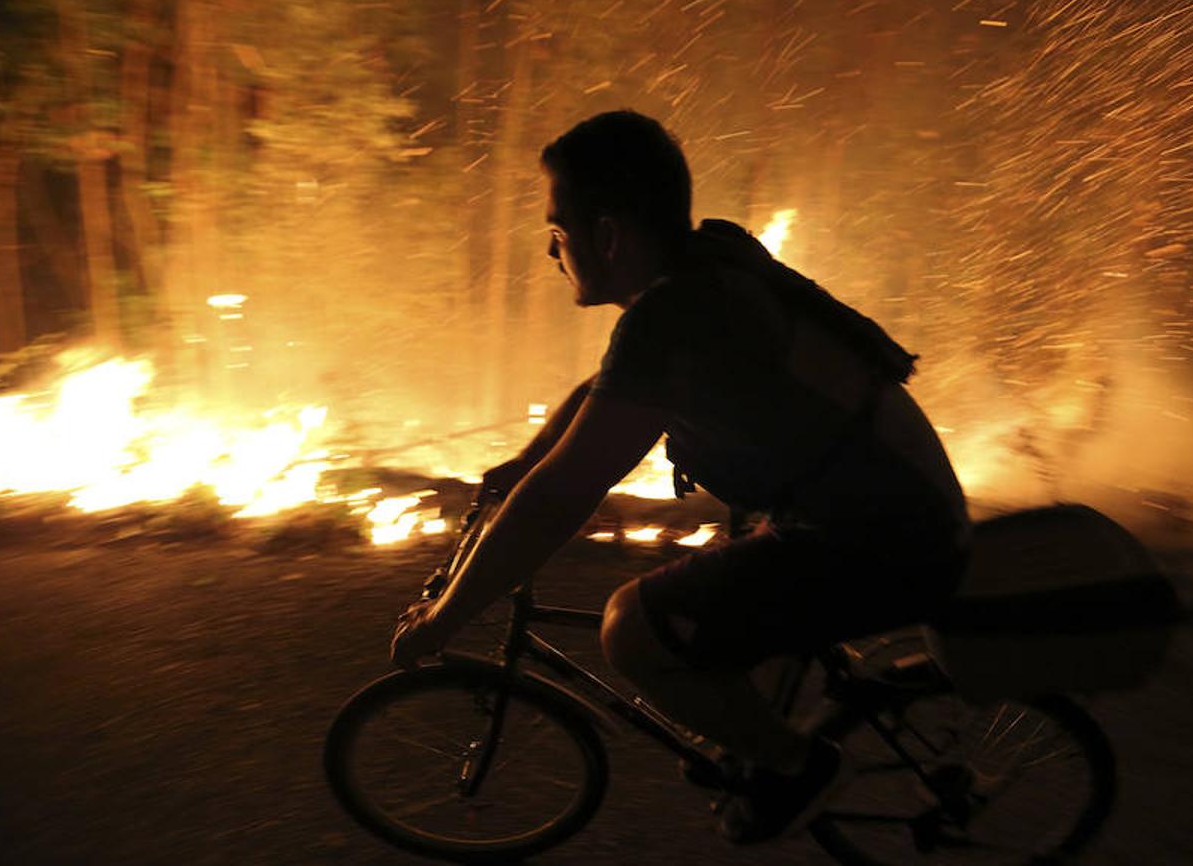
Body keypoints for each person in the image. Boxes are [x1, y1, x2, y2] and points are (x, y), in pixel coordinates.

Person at [391, 110, 970, 843]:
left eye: (558, 228)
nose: (549, 249)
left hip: (880, 540)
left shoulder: (677, 313)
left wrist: (448, 619)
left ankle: (801, 767)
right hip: (886, 511)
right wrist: (521, 461)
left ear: (606, 235)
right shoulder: (705, 264)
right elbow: (609, 390)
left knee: (633, 628)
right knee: (721, 625)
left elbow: (564, 496)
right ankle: (768, 746)